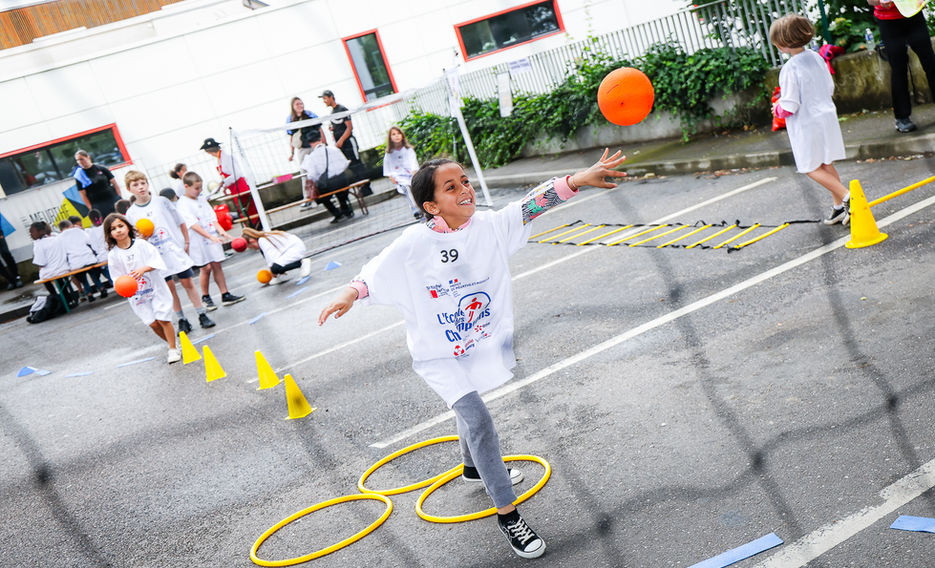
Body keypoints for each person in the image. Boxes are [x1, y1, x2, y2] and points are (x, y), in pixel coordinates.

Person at [318, 149, 627, 559]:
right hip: (438, 356)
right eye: (452, 187)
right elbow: (373, 274)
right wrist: (349, 294)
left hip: (477, 343)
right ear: (431, 206)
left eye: (464, 180)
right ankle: (509, 516)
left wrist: (579, 180)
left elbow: (532, 203)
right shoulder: (415, 243)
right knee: (479, 418)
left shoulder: (489, 225)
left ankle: (470, 469)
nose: (465, 189)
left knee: (471, 413)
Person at [770, 14, 851, 226]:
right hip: (826, 116)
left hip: (807, 123)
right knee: (826, 162)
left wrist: (776, 107)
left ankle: (848, 197)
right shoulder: (817, 57)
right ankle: (839, 207)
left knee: (809, 167)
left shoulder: (789, 68)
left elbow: (790, 105)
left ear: (784, 44)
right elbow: (830, 87)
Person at [123, 170, 217, 333]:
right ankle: (182, 319)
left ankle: (201, 314)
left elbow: (180, 222)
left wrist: (185, 242)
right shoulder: (131, 213)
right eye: (135, 185)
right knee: (169, 288)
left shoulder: (161, 202)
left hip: (174, 250)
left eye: (143, 183)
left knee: (187, 282)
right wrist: (143, 240)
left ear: (147, 183)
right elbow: (136, 239)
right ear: (129, 189)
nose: (140, 187)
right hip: (156, 257)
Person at [103, 213, 181, 364]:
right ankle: (174, 344)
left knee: (163, 319)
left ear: (127, 227)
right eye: (113, 229)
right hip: (137, 295)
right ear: (110, 234)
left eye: (121, 226)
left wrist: (143, 269)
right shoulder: (113, 255)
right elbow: (117, 278)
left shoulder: (141, 245)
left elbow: (157, 261)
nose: (118, 230)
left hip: (155, 288)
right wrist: (124, 284)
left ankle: (172, 349)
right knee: (153, 323)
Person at [178, 171, 246, 309]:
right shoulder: (183, 203)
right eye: (196, 188)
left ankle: (225, 294)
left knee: (217, 265)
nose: (199, 191)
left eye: (200, 187)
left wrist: (222, 232)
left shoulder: (201, 199)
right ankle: (206, 297)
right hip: (199, 240)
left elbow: (212, 218)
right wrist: (210, 236)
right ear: (186, 186)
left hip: (211, 236)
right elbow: (193, 225)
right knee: (206, 268)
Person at [867, 0, 935, 133]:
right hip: (888, 22)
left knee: (930, 62)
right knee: (898, 68)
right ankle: (902, 117)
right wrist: (880, 1)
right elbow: (871, 1)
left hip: (914, 17)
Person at [320, 90, 372, 195]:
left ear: (331, 97)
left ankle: (367, 188)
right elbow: (339, 127)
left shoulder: (342, 109)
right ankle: (362, 189)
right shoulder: (332, 113)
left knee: (357, 164)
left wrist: (341, 140)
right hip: (342, 145)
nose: (324, 101)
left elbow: (349, 128)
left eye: (325, 98)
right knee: (352, 166)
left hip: (349, 143)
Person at [200, 138, 258, 228]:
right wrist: (226, 185)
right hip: (233, 187)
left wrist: (223, 182)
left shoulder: (227, 157)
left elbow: (237, 174)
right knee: (242, 209)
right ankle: (251, 227)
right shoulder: (221, 158)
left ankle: (256, 226)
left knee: (248, 209)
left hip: (240, 186)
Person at [299, 138, 355, 223]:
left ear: (310, 143)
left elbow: (312, 175)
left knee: (321, 196)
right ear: (321, 140)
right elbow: (344, 164)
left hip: (328, 185)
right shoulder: (334, 149)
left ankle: (336, 213)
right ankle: (345, 209)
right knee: (341, 191)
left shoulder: (311, 157)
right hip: (342, 181)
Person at [58, 217, 106, 301]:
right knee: (94, 276)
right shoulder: (78, 231)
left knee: (83, 280)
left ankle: (89, 294)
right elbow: (89, 241)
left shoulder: (59, 238)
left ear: (61, 229)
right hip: (89, 258)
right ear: (71, 225)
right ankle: (101, 288)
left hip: (76, 263)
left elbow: (62, 252)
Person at [240, 227, 311, 284]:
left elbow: (272, 260)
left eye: (251, 247)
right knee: (276, 267)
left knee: (275, 268)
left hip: (295, 249)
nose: (254, 249)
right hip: (291, 248)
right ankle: (279, 275)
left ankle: (301, 264)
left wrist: (273, 273)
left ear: (252, 241)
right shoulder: (263, 237)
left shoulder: (262, 241)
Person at [383, 126, 421, 218]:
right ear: (390, 138)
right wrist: (391, 177)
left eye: (398, 133)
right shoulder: (389, 153)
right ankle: (414, 208)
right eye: (393, 134)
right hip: (399, 178)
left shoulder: (408, 150)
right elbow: (388, 167)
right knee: (406, 189)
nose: (396, 136)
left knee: (415, 190)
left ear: (402, 135)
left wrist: (414, 171)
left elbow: (413, 162)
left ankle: (419, 206)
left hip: (411, 175)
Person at [29, 221, 71, 298]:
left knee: (43, 276)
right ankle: (67, 297)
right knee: (58, 278)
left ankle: (54, 296)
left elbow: (41, 263)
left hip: (52, 272)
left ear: (41, 231)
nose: (31, 234)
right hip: (64, 268)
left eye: (32, 232)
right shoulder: (55, 239)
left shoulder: (38, 245)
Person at [74, 150, 122, 216]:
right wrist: (91, 208)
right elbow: (82, 194)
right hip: (98, 205)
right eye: (77, 160)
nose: (79, 162)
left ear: (88, 157)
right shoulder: (79, 175)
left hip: (113, 199)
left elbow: (114, 183)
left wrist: (119, 197)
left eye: (81, 159)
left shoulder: (101, 169)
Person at [85, 209, 113, 286]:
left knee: (102, 271)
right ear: (101, 217)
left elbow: (94, 247)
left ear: (90, 220)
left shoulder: (91, 232)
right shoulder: (107, 226)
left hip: (102, 258)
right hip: (113, 253)